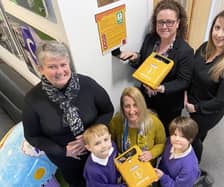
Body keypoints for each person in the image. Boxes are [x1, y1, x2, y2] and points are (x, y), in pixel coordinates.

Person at [22, 40, 114, 187]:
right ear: (40, 69)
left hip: (99, 152)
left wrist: (89, 137)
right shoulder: (32, 100)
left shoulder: (87, 84)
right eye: (52, 66)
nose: (60, 71)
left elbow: (108, 110)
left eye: (63, 64)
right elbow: (32, 136)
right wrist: (62, 151)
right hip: (68, 161)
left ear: (68, 63)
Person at [119, 0, 194, 136]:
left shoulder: (185, 51)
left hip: (168, 104)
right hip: (146, 99)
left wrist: (161, 88)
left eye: (169, 22)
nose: (164, 26)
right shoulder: (150, 39)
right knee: (147, 129)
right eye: (160, 22)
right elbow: (144, 61)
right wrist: (134, 57)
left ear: (178, 23)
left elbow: (184, 81)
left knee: (163, 133)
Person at [185, 9, 224, 162]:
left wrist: (195, 108)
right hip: (192, 100)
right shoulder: (205, 47)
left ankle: (193, 167)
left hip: (208, 110)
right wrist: (185, 93)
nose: (219, 34)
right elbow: (192, 71)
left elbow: (221, 101)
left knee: (194, 138)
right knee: (194, 134)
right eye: (217, 28)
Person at [109, 86, 166, 165]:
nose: (131, 111)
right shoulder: (116, 122)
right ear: (122, 107)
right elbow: (110, 144)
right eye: (127, 106)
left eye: (135, 105)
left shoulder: (154, 122)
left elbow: (162, 144)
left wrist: (152, 153)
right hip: (125, 169)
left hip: (148, 169)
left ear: (142, 105)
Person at [154, 116, 200, 187]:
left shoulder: (190, 168)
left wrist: (163, 177)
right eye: (175, 134)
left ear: (190, 139)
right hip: (161, 176)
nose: (177, 139)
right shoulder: (170, 141)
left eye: (183, 136)